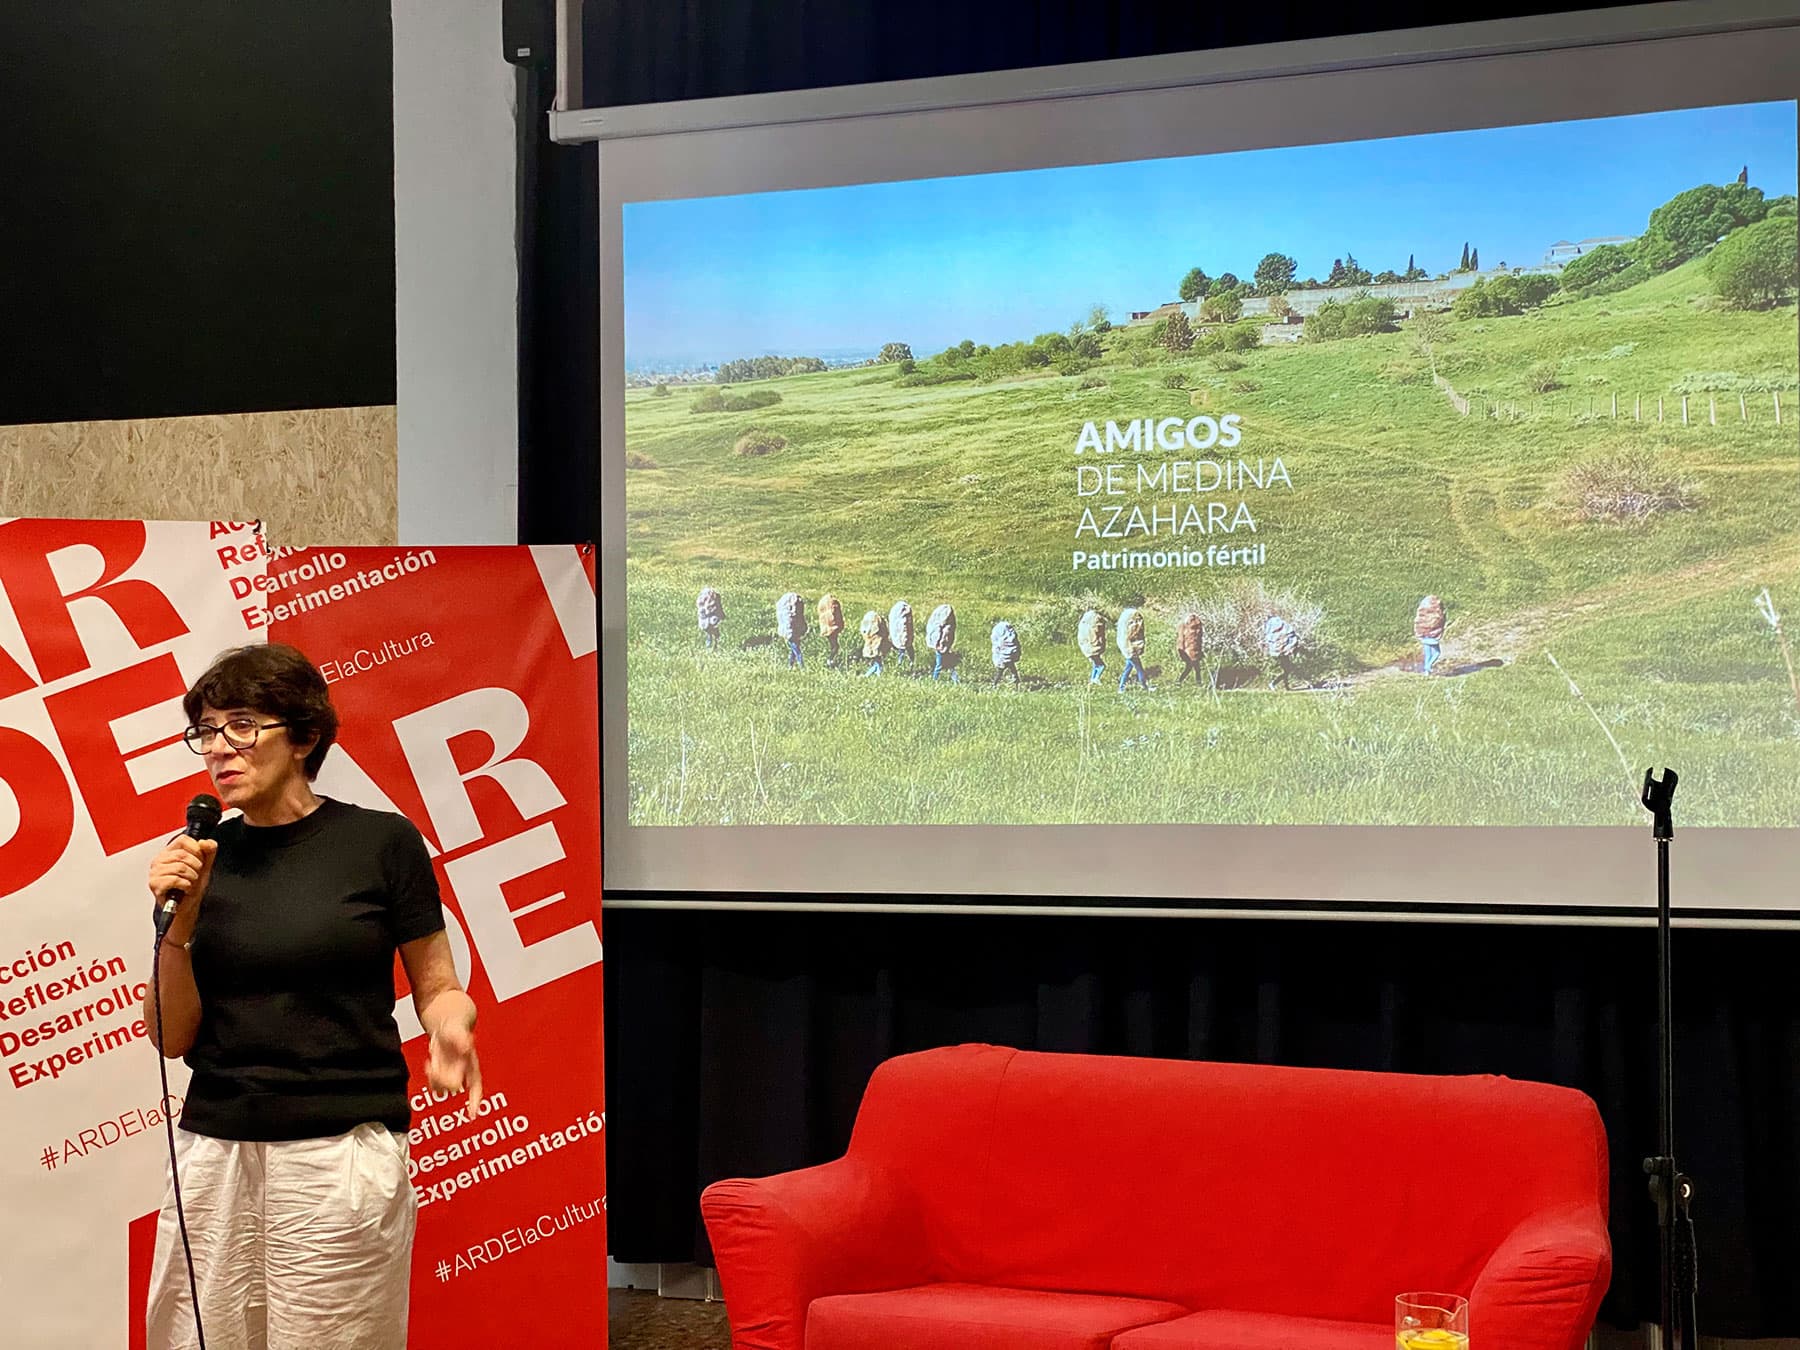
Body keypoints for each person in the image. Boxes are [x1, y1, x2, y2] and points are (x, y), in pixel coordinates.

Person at [144, 643, 479, 1350]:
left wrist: (452, 1029)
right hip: (216, 1150)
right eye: (205, 731)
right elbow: (172, 1038)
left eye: (241, 725)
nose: (217, 749)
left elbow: (438, 984)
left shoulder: (380, 843)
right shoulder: (205, 857)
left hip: (338, 1154)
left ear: (303, 736)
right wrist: (182, 928)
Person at [1263, 612, 1299, 689]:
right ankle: (1273, 683)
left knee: (1287, 670)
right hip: (1282, 653)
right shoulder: (1279, 626)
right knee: (1286, 670)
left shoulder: (1270, 628)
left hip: (1280, 652)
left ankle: (1286, 686)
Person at [1116, 606, 1149, 691]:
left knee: (1128, 669)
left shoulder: (1125, 626)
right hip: (1131, 651)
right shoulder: (1132, 628)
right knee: (1139, 669)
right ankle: (1144, 686)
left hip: (1129, 650)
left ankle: (1121, 687)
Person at [1415, 594, 1447, 675]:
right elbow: (1441, 623)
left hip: (1424, 637)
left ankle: (1427, 671)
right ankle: (1428, 666)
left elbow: (1418, 622)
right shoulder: (1437, 615)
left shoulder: (1423, 614)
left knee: (1427, 654)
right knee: (1437, 652)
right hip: (1433, 637)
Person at [925, 603, 957, 682]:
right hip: (942, 647)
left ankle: (936, 679)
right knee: (946, 665)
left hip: (942, 647)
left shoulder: (943, 627)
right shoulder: (947, 627)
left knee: (944, 665)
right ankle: (937, 679)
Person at [776, 591, 808, 667]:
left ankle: (790, 665)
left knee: (794, 648)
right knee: (796, 649)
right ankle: (801, 666)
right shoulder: (789, 613)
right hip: (791, 631)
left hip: (792, 630)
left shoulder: (788, 611)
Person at [1077, 608, 1108, 685]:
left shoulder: (1085, 622)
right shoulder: (1095, 621)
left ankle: (1092, 679)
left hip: (1086, 647)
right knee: (1102, 666)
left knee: (1095, 664)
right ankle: (1096, 678)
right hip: (1094, 647)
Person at [1174, 612, 1204, 686]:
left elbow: (1199, 640)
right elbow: (1181, 640)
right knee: (1194, 667)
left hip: (1192, 650)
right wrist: (1181, 650)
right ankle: (1197, 683)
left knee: (1192, 667)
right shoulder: (1184, 627)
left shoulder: (1189, 627)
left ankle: (1180, 681)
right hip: (1189, 651)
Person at [859, 609, 891, 676]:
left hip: (873, 642)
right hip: (876, 643)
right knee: (877, 661)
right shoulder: (878, 634)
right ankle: (872, 674)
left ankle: (871, 674)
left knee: (877, 662)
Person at [817, 593, 845, 667]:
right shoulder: (831, 610)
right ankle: (829, 660)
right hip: (831, 629)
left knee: (834, 646)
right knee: (835, 646)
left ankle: (830, 660)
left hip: (830, 628)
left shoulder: (825, 606)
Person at [990, 620, 1022, 685]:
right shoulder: (1011, 634)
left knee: (1001, 670)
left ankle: (994, 684)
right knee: (1012, 668)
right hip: (1008, 655)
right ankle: (1017, 682)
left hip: (1004, 656)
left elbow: (996, 645)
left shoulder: (998, 633)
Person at [888, 600, 915, 670]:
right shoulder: (903, 619)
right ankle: (902, 664)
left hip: (904, 637)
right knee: (904, 650)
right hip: (903, 637)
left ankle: (908, 663)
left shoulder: (900, 617)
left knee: (907, 650)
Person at [696, 586, 725, 650]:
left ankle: (713, 645)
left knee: (712, 632)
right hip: (708, 619)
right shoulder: (705, 604)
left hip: (710, 618)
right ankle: (712, 645)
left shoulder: (710, 603)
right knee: (711, 632)